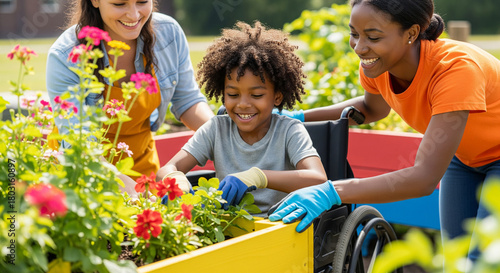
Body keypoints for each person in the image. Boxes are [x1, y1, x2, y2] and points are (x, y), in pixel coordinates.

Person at [269, 0, 500, 264]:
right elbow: (371, 108)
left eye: (373, 37)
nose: (359, 47)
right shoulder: (377, 64)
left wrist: (331, 191)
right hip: (464, 159)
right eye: (354, 34)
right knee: (457, 262)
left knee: (483, 263)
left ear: (411, 34)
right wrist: (295, 119)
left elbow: (423, 178)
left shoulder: (456, 70)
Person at [157, 21, 328, 216]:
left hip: (278, 226)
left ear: (277, 97)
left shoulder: (289, 131)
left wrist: (259, 177)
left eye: (256, 96)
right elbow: (166, 168)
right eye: (233, 94)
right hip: (229, 226)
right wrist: (175, 178)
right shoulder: (216, 129)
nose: (243, 104)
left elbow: (318, 179)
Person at [46, 0, 214, 197]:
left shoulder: (169, 34)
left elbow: (188, 101)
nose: (133, 15)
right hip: (85, 177)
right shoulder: (65, 56)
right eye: (119, 4)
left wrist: (225, 133)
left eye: (142, 2)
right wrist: (124, 187)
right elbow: (80, 145)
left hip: (142, 169)